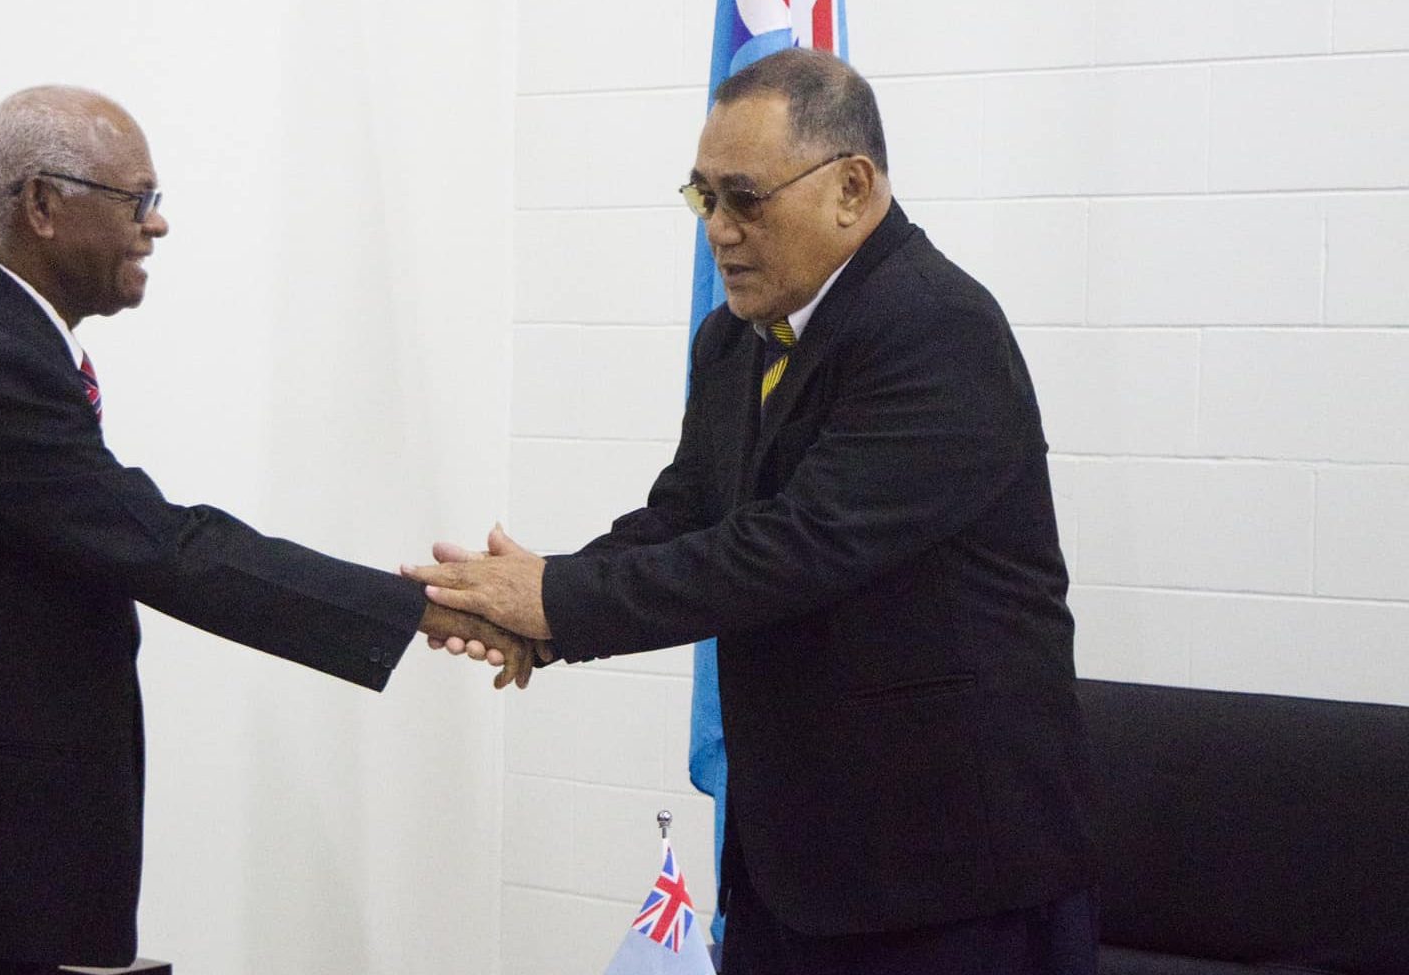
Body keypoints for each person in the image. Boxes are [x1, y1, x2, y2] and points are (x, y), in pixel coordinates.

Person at [0, 85, 530, 975]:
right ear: (43, 204)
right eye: (139, 201)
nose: (155, 227)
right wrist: (426, 607)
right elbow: (167, 547)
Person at [410, 49, 1097, 975]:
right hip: (794, 866)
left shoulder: (938, 326)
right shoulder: (736, 339)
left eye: (746, 198)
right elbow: (689, 516)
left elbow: (794, 547)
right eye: (703, 199)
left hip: (946, 881)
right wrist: (534, 604)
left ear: (852, 188)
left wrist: (553, 599)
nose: (720, 233)